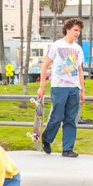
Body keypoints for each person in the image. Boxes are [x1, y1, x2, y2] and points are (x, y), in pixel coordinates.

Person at [37, 18, 86, 157]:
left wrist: (82, 90)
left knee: (71, 118)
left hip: (74, 87)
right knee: (57, 116)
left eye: (79, 31)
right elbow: (45, 65)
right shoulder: (56, 45)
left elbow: (80, 70)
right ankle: (47, 138)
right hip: (59, 86)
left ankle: (67, 149)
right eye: (75, 30)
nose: (77, 33)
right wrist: (42, 87)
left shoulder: (78, 49)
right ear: (67, 29)